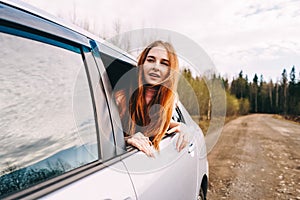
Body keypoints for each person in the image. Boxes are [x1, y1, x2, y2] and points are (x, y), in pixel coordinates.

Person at [115, 40, 188, 157]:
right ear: (142, 64)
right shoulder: (121, 98)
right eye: (150, 60)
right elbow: (100, 137)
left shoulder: (170, 101)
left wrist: (184, 127)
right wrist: (126, 139)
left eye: (164, 63)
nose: (156, 67)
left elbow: (162, 123)